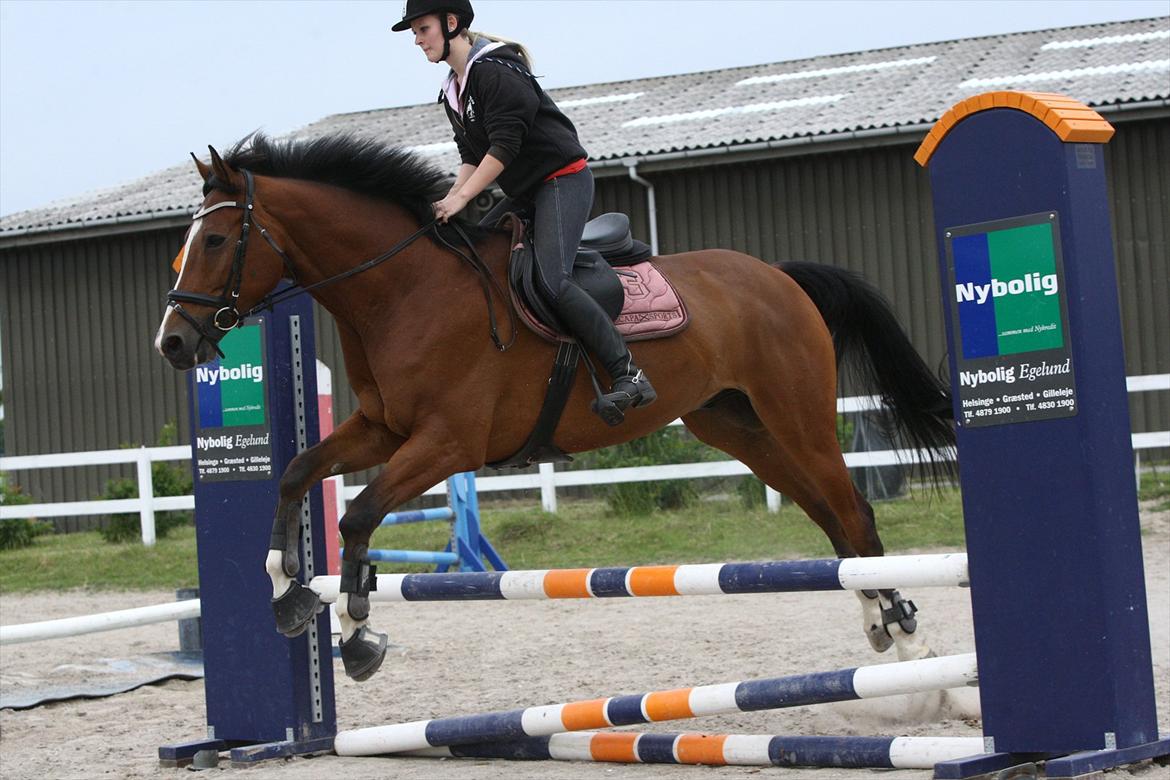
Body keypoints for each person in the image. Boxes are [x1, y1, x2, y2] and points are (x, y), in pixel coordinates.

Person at [393, 0, 657, 423]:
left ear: (451, 23)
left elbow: (504, 147)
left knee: (553, 281)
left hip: (562, 181)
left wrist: (462, 200)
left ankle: (629, 373)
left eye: (422, 29)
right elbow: (471, 156)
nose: (417, 40)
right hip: (528, 190)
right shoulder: (454, 88)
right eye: (415, 33)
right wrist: (448, 201)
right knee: (473, 261)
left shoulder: (494, 72)